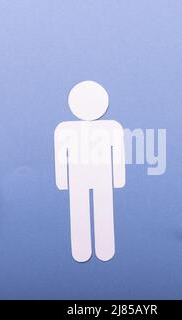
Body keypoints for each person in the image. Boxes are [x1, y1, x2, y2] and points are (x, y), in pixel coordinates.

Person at [54, 81, 126, 262]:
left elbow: (117, 153)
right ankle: (84, 251)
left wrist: (63, 181)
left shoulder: (111, 127)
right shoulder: (65, 129)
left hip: (96, 178)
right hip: (84, 178)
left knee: (100, 212)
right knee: (81, 213)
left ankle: (103, 250)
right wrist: (118, 179)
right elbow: (61, 157)